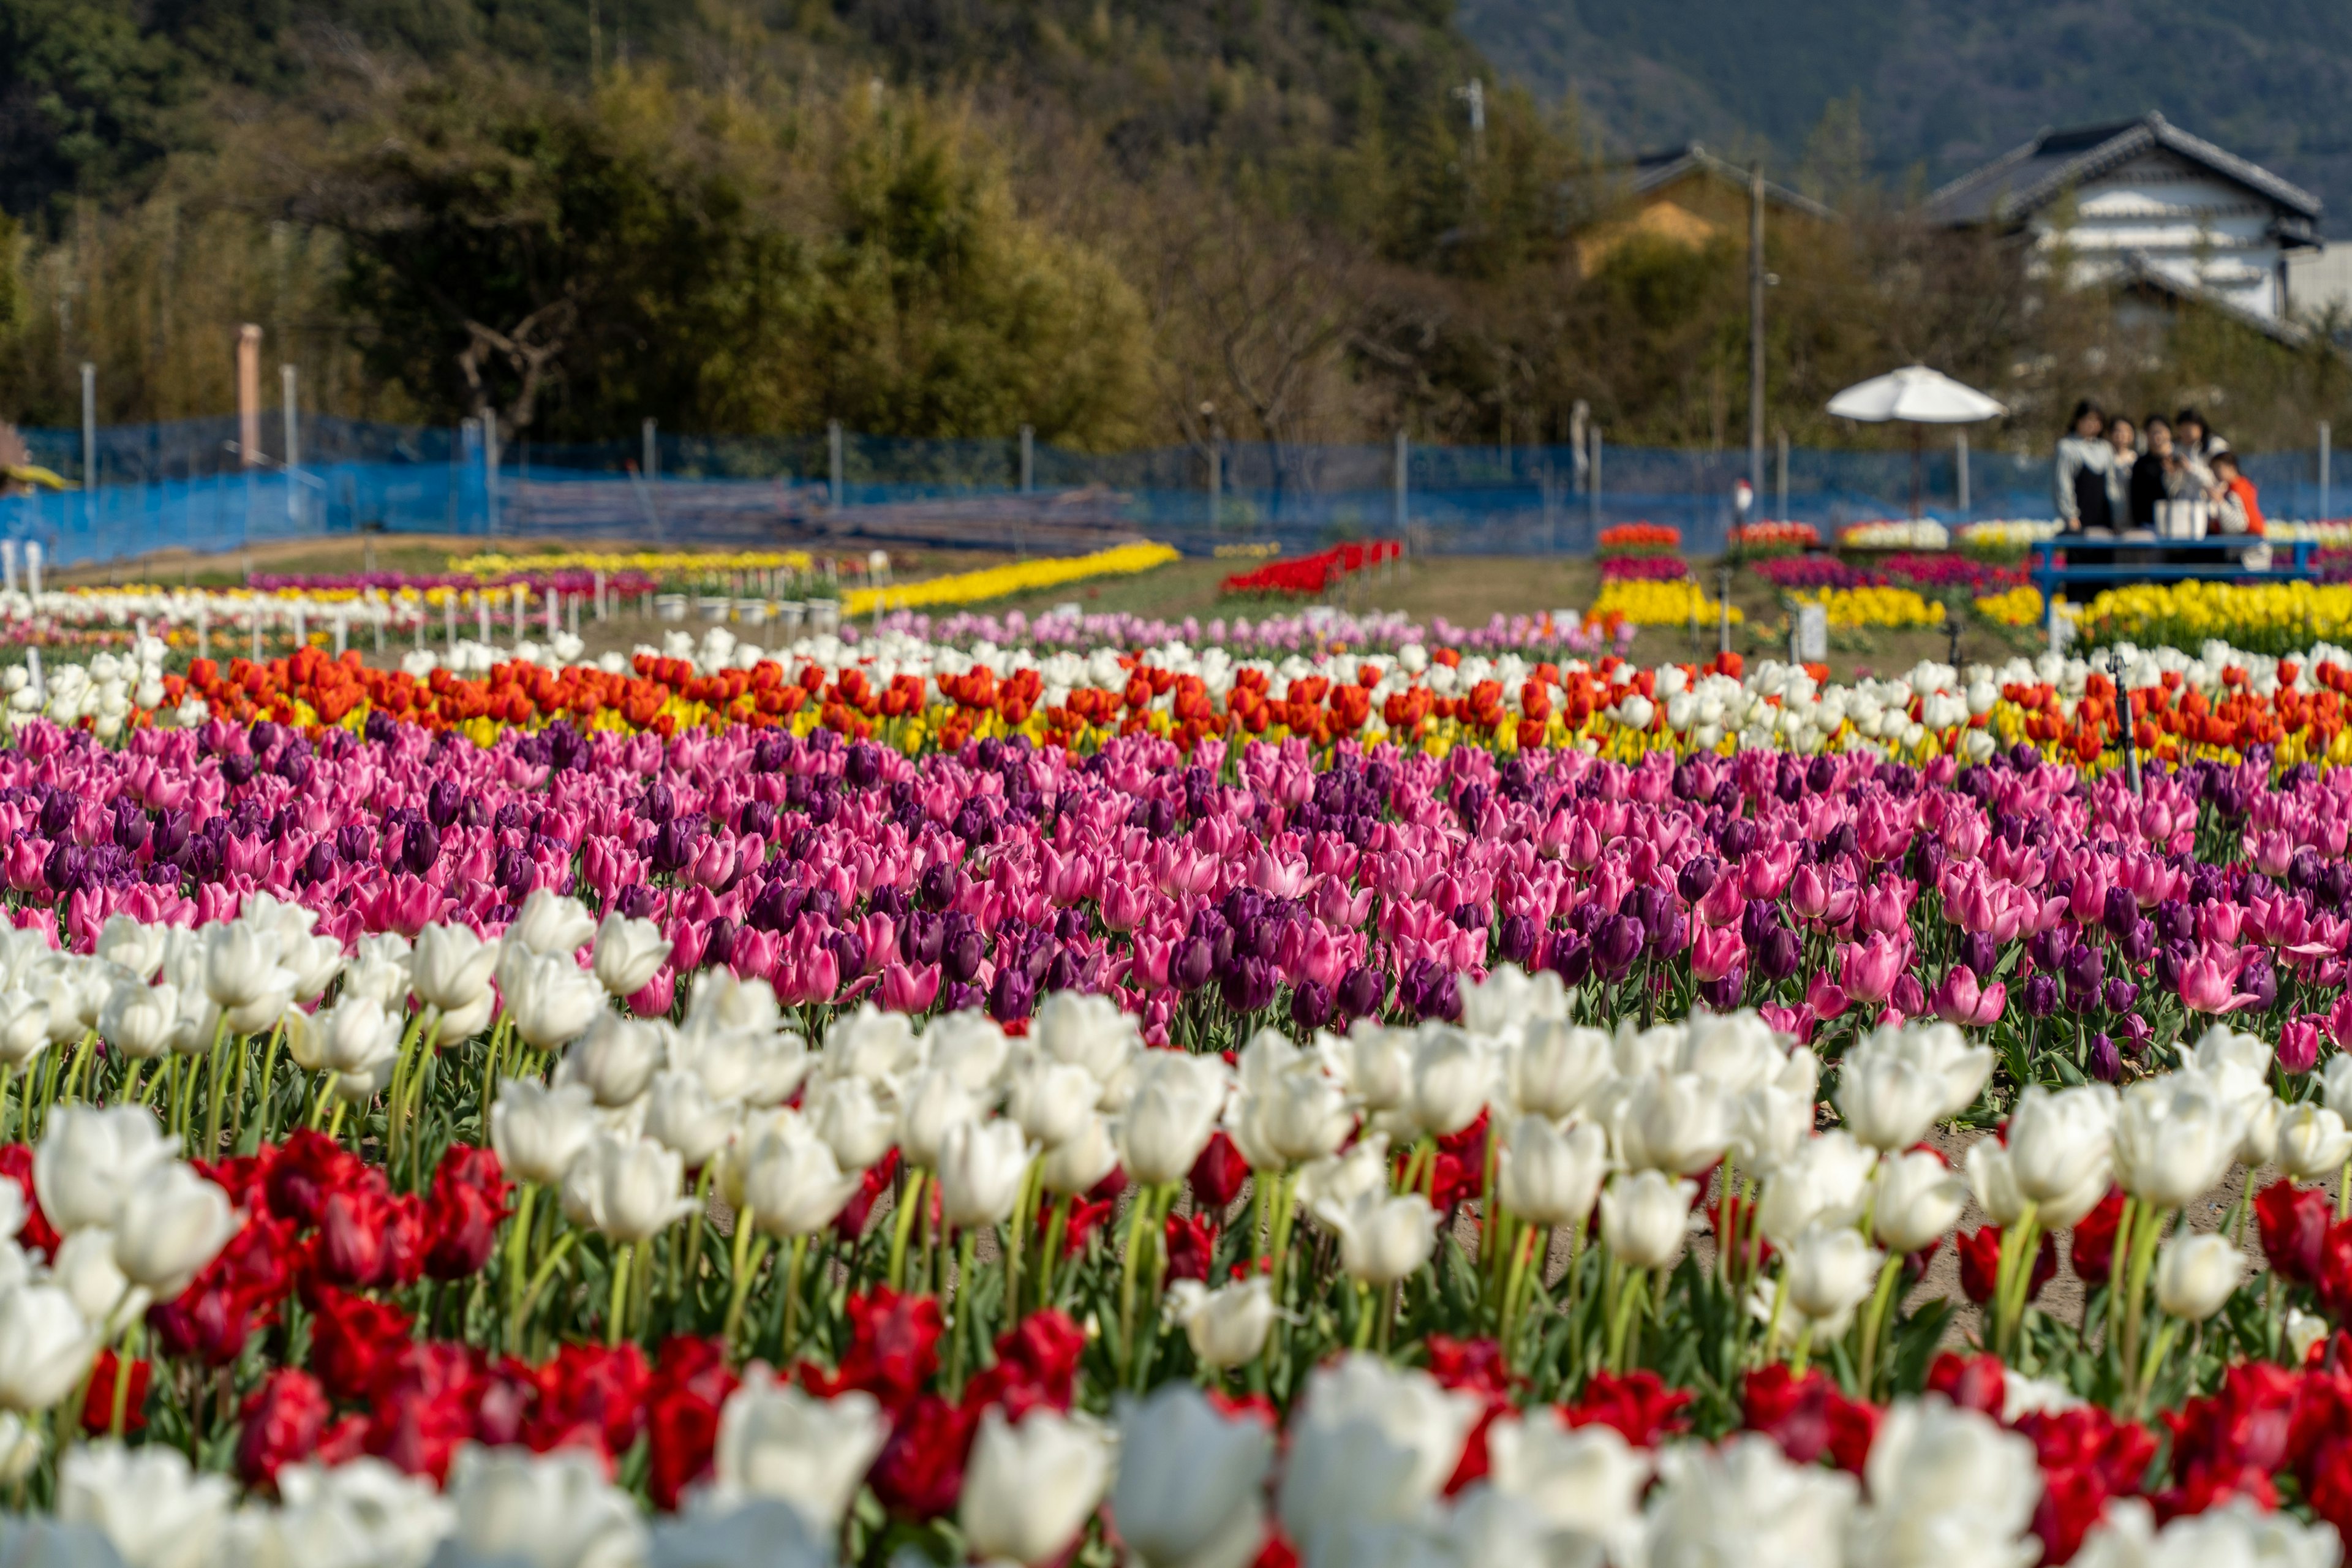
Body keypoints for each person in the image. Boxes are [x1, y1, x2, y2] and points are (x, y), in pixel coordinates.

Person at [2054, 401, 2114, 533]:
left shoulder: (2106, 448)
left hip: (2103, 519)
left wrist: (2116, 516)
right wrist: (2071, 515)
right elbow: (2063, 483)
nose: (2093, 424)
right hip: (2080, 520)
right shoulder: (2067, 447)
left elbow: (2111, 484)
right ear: (2078, 420)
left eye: (2098, 420)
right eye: (2089, 419)